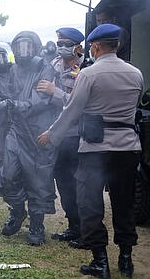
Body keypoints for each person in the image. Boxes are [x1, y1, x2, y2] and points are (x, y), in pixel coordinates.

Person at [38, 24, 143, 278]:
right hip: (127, 149)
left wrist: (51, 135)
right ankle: (126, 260)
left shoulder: (89, 74)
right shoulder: (136, 73)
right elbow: (134, 107)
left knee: (90, 205)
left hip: (95, 149)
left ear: (95, 47)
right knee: (124, 203)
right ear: (116, 45)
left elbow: (72, 111)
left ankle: (100, 261)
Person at [0, 31, 60, 246]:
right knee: (7, 175)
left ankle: (37, 225)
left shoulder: (45, 68)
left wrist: (15, 104)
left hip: (39, 133)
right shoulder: (12, 70)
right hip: (17, 130)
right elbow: (6, 93)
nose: (23, 51)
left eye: (27, 46)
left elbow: (40, 100)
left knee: (38, 181)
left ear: (36, 47)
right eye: (19, 47)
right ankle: (18, 211)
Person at [36, 28, 84, 247]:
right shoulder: (53, 64)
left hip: (74, 134)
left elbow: (78, 105)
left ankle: (83, 229)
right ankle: (73, 226)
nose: (61, 46)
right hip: (53, 133)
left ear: (77, 47)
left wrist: (55, 91)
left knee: (76, 183)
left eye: (66, 43)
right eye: (59, 42)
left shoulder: (84, 70)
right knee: (62, 181)